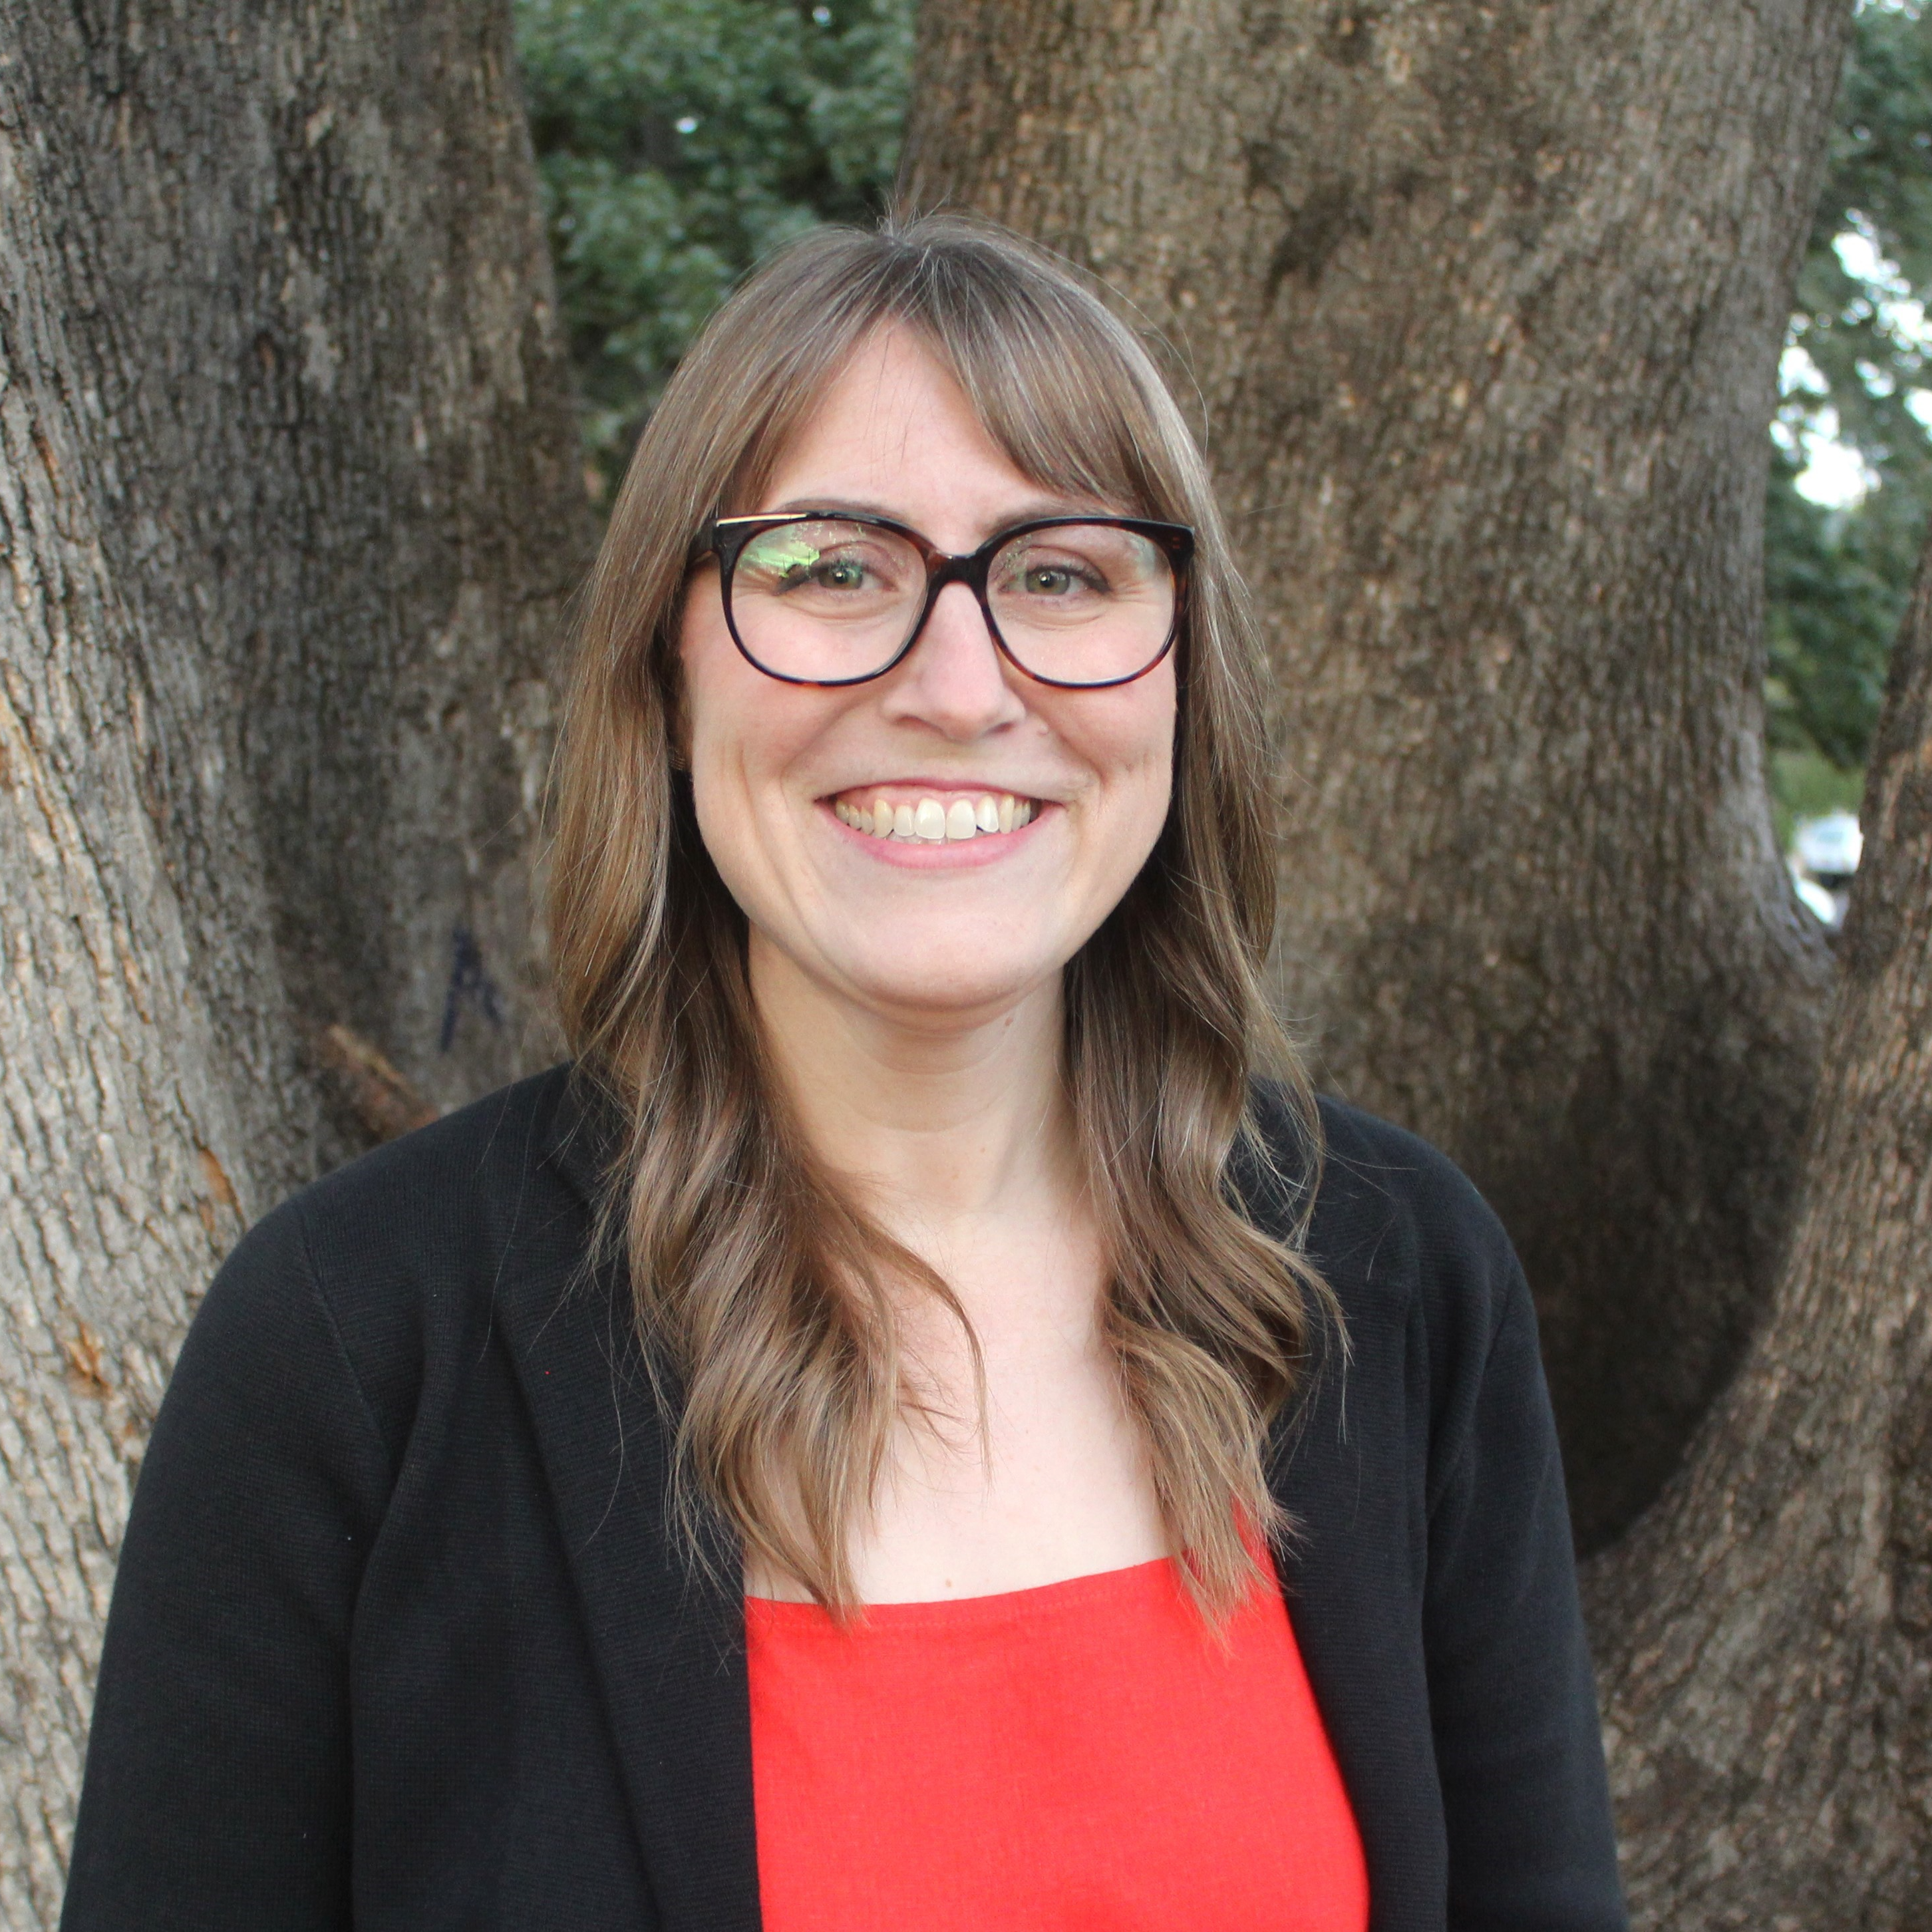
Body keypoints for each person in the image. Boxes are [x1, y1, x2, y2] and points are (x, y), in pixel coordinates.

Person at [61, 215, 1625, 1931]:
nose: (959, 689)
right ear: (665, 667)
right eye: (828, 570)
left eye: (1062, 572)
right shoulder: (357, 1345)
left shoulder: (1394, 1273)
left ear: (1183, 669)